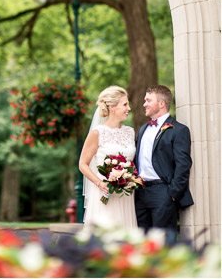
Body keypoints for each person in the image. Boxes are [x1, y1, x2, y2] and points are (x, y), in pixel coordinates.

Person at [135, 85, 194, 235]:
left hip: (163, 193)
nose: (144, 104)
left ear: (161, 103)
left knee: (164, 243)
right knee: (142, 243)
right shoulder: (143, 129)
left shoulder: (179, 130)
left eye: (148, 100)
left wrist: (172, 194)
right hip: (140, 193)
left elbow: (183, 164)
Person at [78, 85, 137, 228]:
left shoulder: (130, 132)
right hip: (104, 193)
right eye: (125, 104)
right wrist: (100, 183)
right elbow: (82, 164)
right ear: (112, 107)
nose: (128, 108)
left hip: (125, 195)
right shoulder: (97, 133)